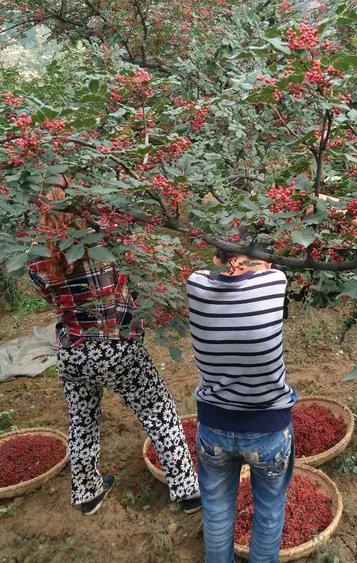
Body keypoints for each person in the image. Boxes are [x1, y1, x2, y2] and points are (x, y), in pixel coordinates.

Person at [27, 182, 200, 515]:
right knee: (158, 411)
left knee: (82, 421)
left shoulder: (34, 256)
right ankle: (187, 491)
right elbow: (132, 275)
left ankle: (87, 494)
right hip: (117, 347)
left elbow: (52, 300)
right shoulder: (105, 241)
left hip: (73, 351)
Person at [187, 247, 295, 563]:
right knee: (270, 510)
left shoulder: (195, 284)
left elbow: (214, 269)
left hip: (214, 426)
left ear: (217, 256)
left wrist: (230, 260)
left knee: (217, 508)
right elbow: (260, 268)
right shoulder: (276, 280)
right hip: (269, 428)